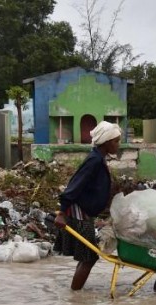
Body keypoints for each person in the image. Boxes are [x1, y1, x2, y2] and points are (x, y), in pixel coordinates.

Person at [53, 121, 121, 290]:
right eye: (116, 141)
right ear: (105, 141)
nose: (118, 145)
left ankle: (75, 295)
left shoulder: (98, 158)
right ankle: (75, 301)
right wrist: (61, 213)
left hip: (85, 213)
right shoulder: (94, 160)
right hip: (79, 213)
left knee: (87, 257)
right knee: (89, 258)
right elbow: (74, 185)